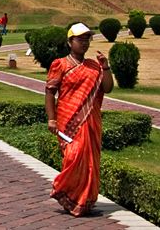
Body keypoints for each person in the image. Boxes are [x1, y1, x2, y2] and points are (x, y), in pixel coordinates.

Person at [46, 22, 113, 216]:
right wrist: (52, 119)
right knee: (73, 158)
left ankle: (84, 202)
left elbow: (107, 88)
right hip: (68, 122)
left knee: (90, 162)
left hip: (91, 121)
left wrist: (106, 67)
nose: (84, 43)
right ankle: (64, 191)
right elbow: (50, 93)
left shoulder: (94, 66)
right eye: (80, 39)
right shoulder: (61, 65)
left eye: (87, 39)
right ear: (70, 42)